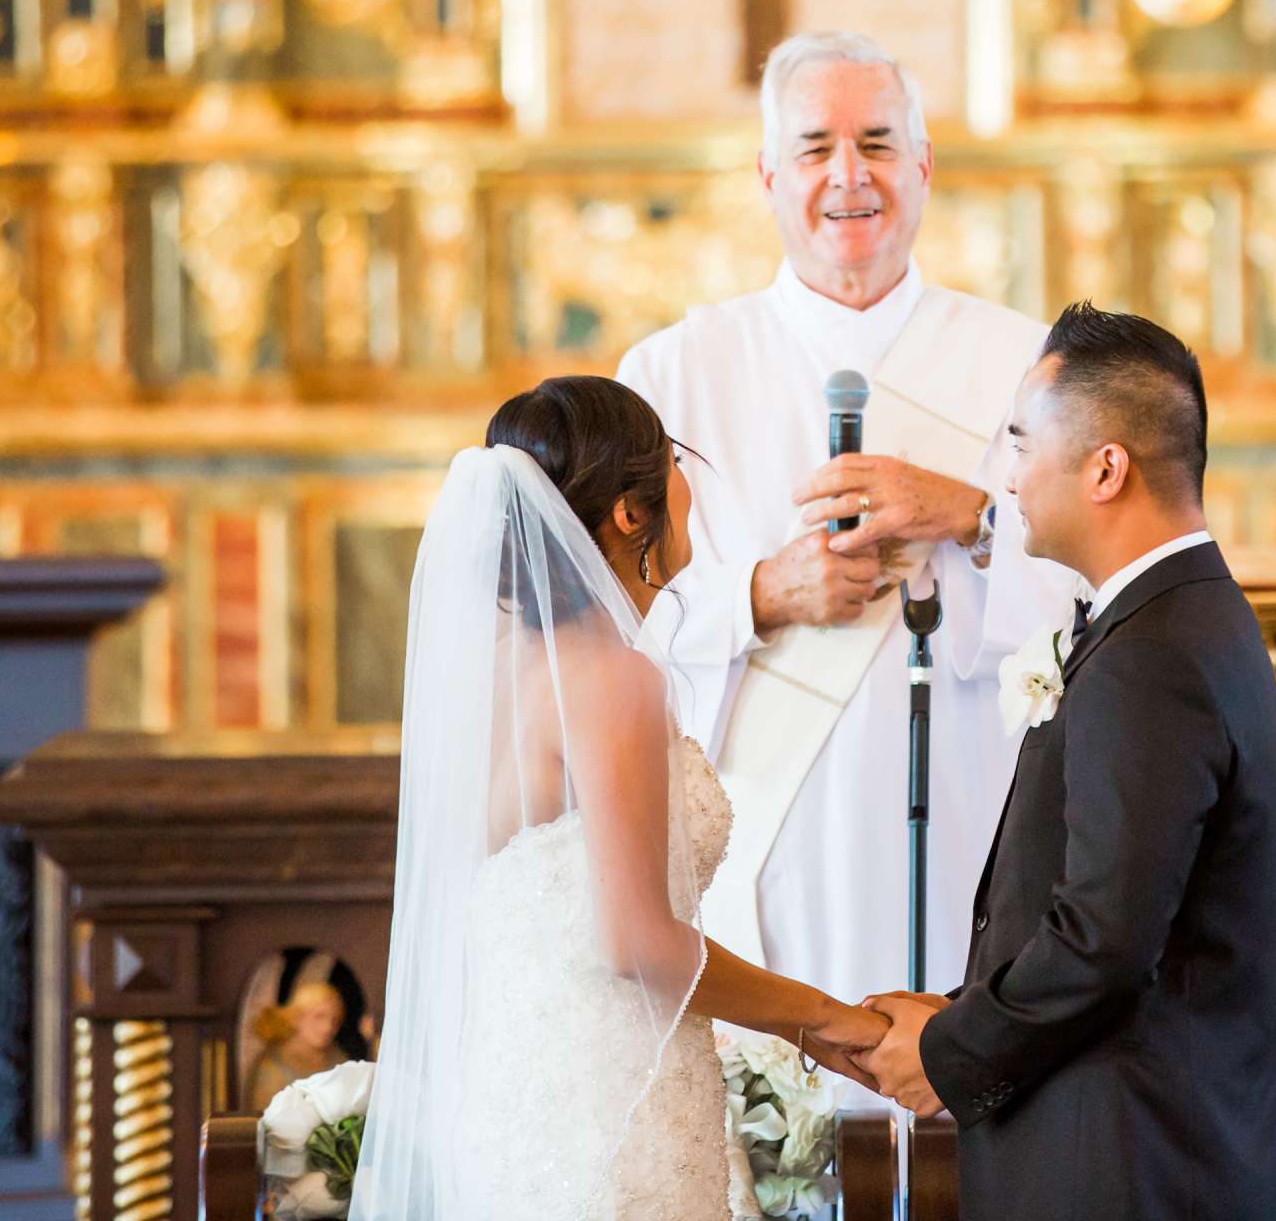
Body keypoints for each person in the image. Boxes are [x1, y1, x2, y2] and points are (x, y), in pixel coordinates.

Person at [615, 32, 1078, 1067]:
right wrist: (761, 594)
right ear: (769, 175)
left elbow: (1101, 592)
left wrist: (972, 514)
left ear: (923, 167)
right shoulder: (675, 371)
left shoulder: (1030, 365)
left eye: (878, 143)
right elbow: (605, 626)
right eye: (816, 147)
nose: (849, 176)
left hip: (972, 804)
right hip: (762, 833)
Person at [351, 376, 888, 1221]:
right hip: (610, 1114)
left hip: (519, 1100)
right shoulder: (610, 678)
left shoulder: (499, 670)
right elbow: (637, 942)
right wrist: (818, 1016)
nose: (686, 482)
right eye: (674, 462)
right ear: (633, 516)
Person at [855, 304, 1276, 1221]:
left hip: (1131, 1166)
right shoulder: (1174, 618)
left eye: (1020, 444)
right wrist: (956, 1012)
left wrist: (950, 1053)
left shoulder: (1154, 653)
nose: (1007, 479)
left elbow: (1106, 937)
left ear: (1106, 467)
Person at [242, 981, 350, 1113]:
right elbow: (263, 1121)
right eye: (319, 1017)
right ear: (297, 1017)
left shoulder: (338, 1059)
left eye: (335, 1020)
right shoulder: (270, 1066)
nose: (328, 1027)